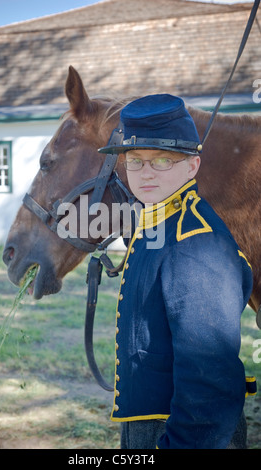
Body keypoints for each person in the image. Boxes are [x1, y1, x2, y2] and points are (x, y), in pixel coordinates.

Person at [98, 94, 254, 449]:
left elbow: (210, 381)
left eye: (162, 160)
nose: (145, 173)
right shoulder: (158, 220)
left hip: (180, 431)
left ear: (192, 166)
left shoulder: (194, 242)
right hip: (152, 423)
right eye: (135, 161)